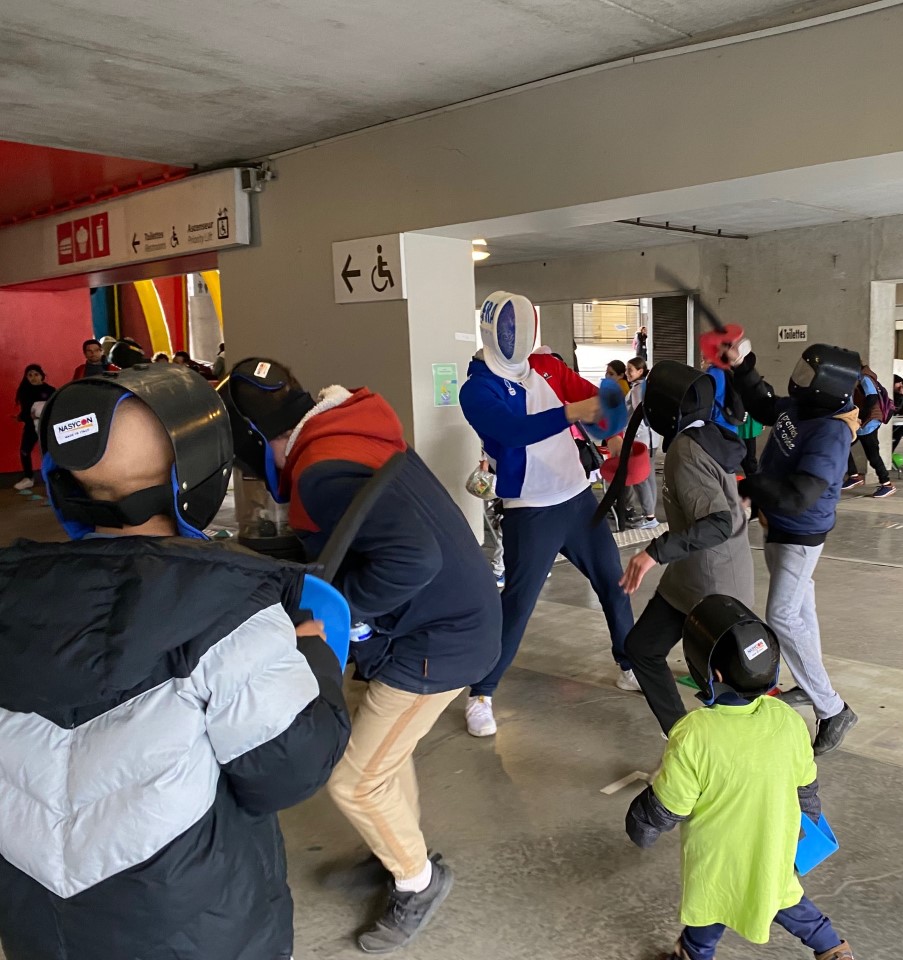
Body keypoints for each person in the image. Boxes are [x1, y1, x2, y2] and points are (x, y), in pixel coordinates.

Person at [0, 364, 350, 960]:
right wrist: (313, 656)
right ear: (202, 477)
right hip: (197, 928)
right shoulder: (232, 607)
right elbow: (287, 770)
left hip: (40, 928)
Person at [224, 358, 501, 953]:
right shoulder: (346, 427)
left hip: (442, 639)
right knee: (378, 754)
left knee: (353, 779)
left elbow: (414, 559)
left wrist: (337, 612)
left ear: (256, 441)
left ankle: (418, 881)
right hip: (446, 617)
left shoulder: (321, 470)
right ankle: (396, 851)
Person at [625, 595, 856, 960]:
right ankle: (835, 950)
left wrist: (641, 824)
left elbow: (669, 805)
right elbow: (806, 789)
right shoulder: (787, 720)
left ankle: (692, 954)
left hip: (719, 860)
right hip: (773, 850)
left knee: (711, 910)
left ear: (711, 675)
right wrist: (806, 828)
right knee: (785, 900)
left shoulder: (694, 733)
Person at [460, 291, 638, 731]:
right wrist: (574, 412)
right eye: (509, 328)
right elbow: (513, 431)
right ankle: (481, 692)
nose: (516, 335)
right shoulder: (477, 389)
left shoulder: (547, 367)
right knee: (519, 603)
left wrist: (613, 428)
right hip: (530, 509)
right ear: (491, 331)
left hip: (578, 499)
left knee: (613, 583)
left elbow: (597, 401)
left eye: (522, 326)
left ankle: (629, 664)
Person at [731, 342, 861, 755]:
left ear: (828, 387)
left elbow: (800, 495)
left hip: (799, 533)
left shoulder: (831, 433)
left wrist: (752, 487)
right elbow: (765, 406)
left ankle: (833, 709)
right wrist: (742, 366)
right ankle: (810, 684)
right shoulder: (803, 407)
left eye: (808, 377)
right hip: (777, 524)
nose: (799, 381)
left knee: (782, 615)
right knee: (801, 608)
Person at [617, 362, 752, 735]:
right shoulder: (706, 433)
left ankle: (722, 751)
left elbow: (718, 523)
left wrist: (652, 553)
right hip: (688, 575)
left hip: (713, 584)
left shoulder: (685, 451)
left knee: (726, 681)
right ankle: (679, 735)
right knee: (642, 648)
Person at [844, 368, 895, 498]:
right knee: (842, 445)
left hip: (869, 423)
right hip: (863, 423)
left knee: (873, 456)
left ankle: (887, 484)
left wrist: (860, 416)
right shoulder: (857, 378)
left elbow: (872, 398)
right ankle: (854, 476)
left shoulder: (865, 378)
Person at [623, 357, 659, 530]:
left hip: (640, 440)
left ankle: (649, 516)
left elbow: (640, 414)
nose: (627, 373)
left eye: (630, 370)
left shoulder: (638, 388)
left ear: (640, 371)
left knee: (640, 478)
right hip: (652, 439)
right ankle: (651, 515)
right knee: (649, 477)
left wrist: (630, 435)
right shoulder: (648, 386)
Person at [12, 364, 54, 491]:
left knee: (49, 453)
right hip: (31, 426)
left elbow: (55, 408)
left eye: (36, 374)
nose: (33, 378)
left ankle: (53, 478)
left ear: (42, 375)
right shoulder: (24, 391)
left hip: (47, 427)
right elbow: (26, 411)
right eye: (30, 375)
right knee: (24, 451)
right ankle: (28, 478)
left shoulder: (50, 390)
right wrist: (21, 417)